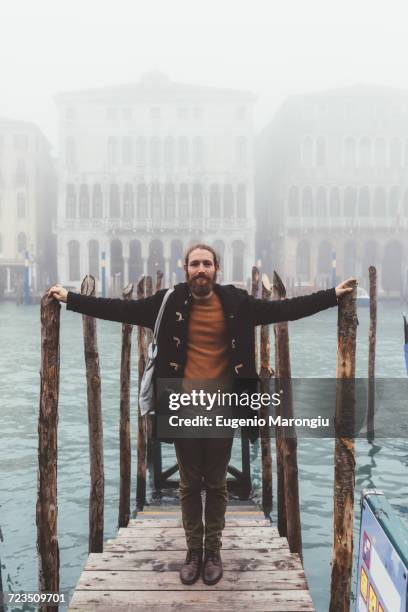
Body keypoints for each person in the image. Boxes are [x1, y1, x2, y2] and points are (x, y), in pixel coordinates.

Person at [48, 244, 354, 586]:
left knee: (217, 483)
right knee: (191, 485)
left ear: (217, 268)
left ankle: (213, 551)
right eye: (195, 264)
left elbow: (286, 309)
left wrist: (331, 296)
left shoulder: (237, 303)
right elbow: (119, 309)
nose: (201, 269)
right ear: (185, 268)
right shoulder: (168, 301)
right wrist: (71, 299)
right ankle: (194, 551)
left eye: (207, 263)